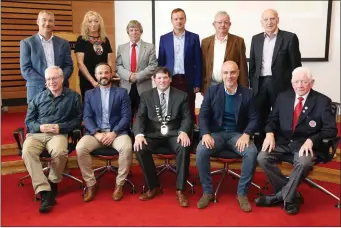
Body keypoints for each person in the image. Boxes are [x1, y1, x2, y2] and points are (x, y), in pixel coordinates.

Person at [255, 67, 337, 215]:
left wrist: (312, 140)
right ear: (291, 83)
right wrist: (269, 133)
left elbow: (331, 130)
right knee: (262, 157)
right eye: (296, 82)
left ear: (311, 83)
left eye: (304, 82)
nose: (300, 85)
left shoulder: (323, 101)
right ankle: (292, 196)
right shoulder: (283, 97)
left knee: (304, 162)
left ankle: (280, 197)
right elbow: (272, 120)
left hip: (307, 146)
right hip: (284, 142)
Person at [195, 61, 258, 212]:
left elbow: (255, 118)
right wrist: (205, 133)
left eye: (232, 72)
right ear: (221, 75)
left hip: (238, 135)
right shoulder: (212, 91)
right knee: (201, 150)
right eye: (225, 73)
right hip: (216, 134)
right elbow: (203, 116)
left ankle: (242, 194)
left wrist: (246, 134)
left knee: (251, 152)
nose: (229, 76)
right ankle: (207, 192)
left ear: (238, 73)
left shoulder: (248, 93)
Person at [22, 66, 82, 213]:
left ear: (62, 79)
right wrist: (40, 127)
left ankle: (53, 181)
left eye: (54, 78)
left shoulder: (74, 97)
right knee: (27, 152)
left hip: (58, 134)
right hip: (37, 134)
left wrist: (60, 127)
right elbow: (28, 122)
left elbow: (78, 120)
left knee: (61, 152)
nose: (51, 82)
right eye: (48, 79)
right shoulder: (38, 98)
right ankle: (44, 191)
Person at [133, 67, 193, 207]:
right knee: (140, 147)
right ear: (153, 80)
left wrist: (184, 131)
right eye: (159, 78)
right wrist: (139, 135)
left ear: (170, 79)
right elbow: (140, 117)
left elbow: (187, 118)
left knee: (184, 146)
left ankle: (180, 190)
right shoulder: (146, 96)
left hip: (174, 134)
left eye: (165, 77)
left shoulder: (181, 95)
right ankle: (154, 187)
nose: (162, 81)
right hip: (153, 134)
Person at [76, 63, 132, 202]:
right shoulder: (89, 94)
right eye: (100, 73)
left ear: (111, 74)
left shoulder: (122, 92)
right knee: (80, 148)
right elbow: (87, 117)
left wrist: (114, 133)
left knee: (127, 148)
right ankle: (91, 184)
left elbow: (126, 116)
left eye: (106, 72)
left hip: (117, 132)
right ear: (95, 76)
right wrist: (96, 133)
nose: (103, 76)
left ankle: (119, 185)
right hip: (96, 133)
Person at [249, 9, 302, 142]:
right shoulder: (256, 39)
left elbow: (296, 66)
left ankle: (280, 146)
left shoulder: (289, 38)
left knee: (282, 116)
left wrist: (294, 87)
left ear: (278, 20)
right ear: (261, 22)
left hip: (281, 84)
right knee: (259, 116)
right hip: (260, 84)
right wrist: (252, 84)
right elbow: (253, 65)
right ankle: (260, 146)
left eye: (272, 19)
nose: (269, 22)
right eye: (266, 19)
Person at [20, 10, 73, 103]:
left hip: (61, 91)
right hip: (37, 91)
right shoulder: (27, 43)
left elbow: (69, 66)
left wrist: (58, 81)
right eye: (44, 20)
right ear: (37, 22)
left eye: (50, 21)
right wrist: (48, 82)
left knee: (62, 117)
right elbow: (25, 69)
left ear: (54, 24)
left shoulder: (63, 43)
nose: (47, 23)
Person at [158, 8, 202, 119]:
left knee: (189, 109)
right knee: (171, 109)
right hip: (170, 80)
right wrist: (161, 81)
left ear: (185, 20)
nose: (179, 21)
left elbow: (198, 62)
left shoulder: (194, 38)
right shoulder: (164, 39)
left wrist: (197, 83)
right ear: (171, 21)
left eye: (181, 18)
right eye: (176, 19)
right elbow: (161, 63)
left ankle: (189, 134)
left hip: (188, 80)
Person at [116, 20, 157, 119]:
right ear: (128, 32)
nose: (134, 32)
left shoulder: (149, 47)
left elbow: (153, 65)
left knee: (144, 116)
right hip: (126, 87)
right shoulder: (121, 48)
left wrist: (137, 76)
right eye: (131, 30)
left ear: (141, 32)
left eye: (137, 30)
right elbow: (118, 66)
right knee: (125, 116)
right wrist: (129, 76)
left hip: (143, 87)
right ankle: (127, 134)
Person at [201, 11, 248, 94]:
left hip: (231, 85)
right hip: (211, 85)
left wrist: (244, 88)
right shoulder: (205, 42)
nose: (222, 25)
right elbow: (202, 65)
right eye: (219, 22)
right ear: (214, 24)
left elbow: (243, 66)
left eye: (226, 22)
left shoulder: (238, 41)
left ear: (230, 24)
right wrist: (201, 86)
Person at [75, 11, 114, 102]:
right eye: (90, 21)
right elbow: (80, 63)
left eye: (96, 21)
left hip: (103, 79)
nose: (93, 24)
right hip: (87, 80)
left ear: (100, 23)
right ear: (86, 24)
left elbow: (109, 62)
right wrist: (93, 81)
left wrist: (107, 77)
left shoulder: (105, 40)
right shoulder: (81, 40)